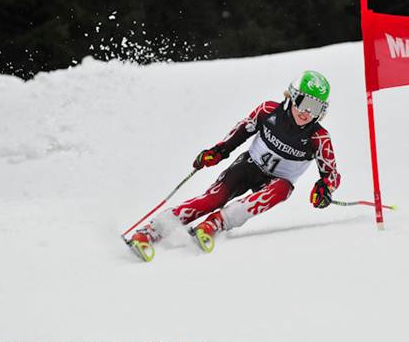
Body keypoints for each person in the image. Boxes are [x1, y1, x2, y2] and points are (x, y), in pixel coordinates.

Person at [130, 70, 341, 257]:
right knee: (214, 198)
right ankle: (153, 230)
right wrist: (218, 151)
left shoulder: (319, 138)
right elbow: (241, 131)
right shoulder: (268, 111)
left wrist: (324, 189)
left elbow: (331, 175)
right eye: (304, 103)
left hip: (278, 181)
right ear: (292, 96)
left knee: (282, 189)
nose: (307, 113)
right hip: (249, 166)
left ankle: (217, 223)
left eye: (315, 107)